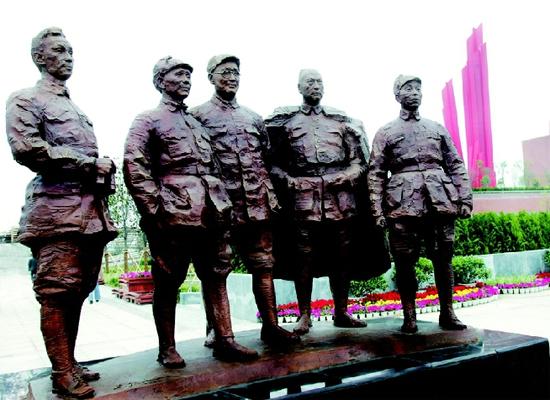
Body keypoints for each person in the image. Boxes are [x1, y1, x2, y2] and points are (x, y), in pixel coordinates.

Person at [123, 56, 258, 367]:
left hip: (210, 212)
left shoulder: (196, 122)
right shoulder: (147, 120)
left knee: (217, 274)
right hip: (173, 214)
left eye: (188, 76)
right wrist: (156, 212)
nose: (185, 81)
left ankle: (225, 339)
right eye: (178, 75)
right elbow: (135, 166)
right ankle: (167, 347)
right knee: (169, 280)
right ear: (160, 81)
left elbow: (213, 167)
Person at [6, 27, 118, 398]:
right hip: (55, 209)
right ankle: (61, 371)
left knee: (80, 288)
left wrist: (101, 168)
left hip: (88, 211)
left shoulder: (74, 108)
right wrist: (87, 163)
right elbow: (26, 148)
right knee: (56, 290)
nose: (68, 57)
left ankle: (69, 361)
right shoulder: (25, 99)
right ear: (39, 57)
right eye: (58, 50)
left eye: (70, 51)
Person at [191, 54, 299, 347]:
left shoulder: (253, 117)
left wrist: (270, 195)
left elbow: (264, 158)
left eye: (236, 73)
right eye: (225, 72)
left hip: (256, 202)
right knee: (216, 268)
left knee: (264, 264)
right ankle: (216, 331)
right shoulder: (197, 116)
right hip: (220, 204)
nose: (232, 78)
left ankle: (271, 326)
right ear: (211, 77)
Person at [264, 69, 371, 335]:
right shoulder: (287, 123)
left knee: (342, 255)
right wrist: (289, 181)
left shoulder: (340, 121)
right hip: (304, 196)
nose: (315, 86)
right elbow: (272, 163)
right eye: (310, 82)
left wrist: (347, 176)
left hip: (339, 197)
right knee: (303, 256)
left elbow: (359, 162)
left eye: (319, 82)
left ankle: (342, 311)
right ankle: (304, 314)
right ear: (299, 87)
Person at [367, 75, 473, 333]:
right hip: (402, 205)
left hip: (440, 202)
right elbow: (376, 173)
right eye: (408, 88)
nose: (414, 92)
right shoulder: (386, 132)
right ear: (397, 95)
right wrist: (377, 210)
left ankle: (448, 313)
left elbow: (455, 164)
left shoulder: (437, 129)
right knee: (404, 261)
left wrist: (465, 198)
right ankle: (409, 316)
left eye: (418, 88)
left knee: (444, 259)